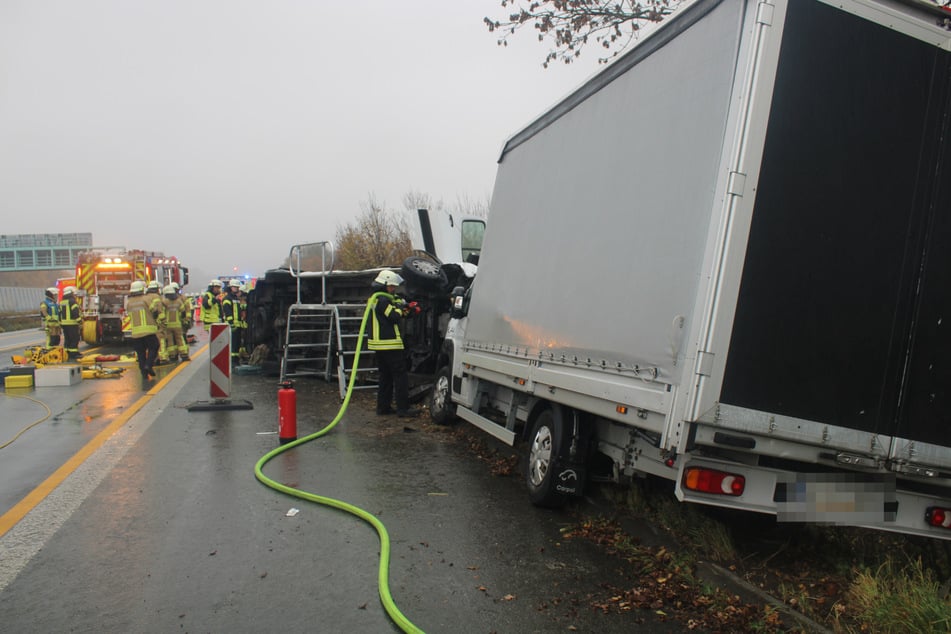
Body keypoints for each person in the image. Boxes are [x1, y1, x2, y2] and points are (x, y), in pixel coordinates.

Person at [368, 269, 419, 417]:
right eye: (391, 286)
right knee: (400, 376)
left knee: (386, 377)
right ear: (384, 284)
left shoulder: (375, 298)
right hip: (389, 344)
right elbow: (394, 316)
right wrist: (402, 308)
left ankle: (383, 408)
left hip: (380, 345)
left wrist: (406, 309)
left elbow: (396, 313)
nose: (393, 289)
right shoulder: (383, 299)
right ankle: (403, 409)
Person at [126, 280, 160, 380]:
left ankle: (144, 373)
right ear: (142, 289)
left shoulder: (129, 303)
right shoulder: (146, 299)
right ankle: (148, 365)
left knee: (140, 353)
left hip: (136, 333)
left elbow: (129, 314)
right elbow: (155, 310)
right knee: (154, 347)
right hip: (148, 330)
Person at [161, 284, 189, 362]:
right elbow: (183, 311)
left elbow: (161, 313)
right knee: (180, 339)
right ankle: (184, 354)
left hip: (168, 325)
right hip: (177, 324)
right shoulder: (178, 301)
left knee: (170, 341)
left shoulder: (164, 302)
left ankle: (172, 356)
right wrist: (183, 320)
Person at [221, 279, 243, 365]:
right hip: (231, 325)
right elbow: (228, 311)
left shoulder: (236, 298)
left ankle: (236, 359)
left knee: (237, 343)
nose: (237, 289)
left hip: (237, 325)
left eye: (237, 287)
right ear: (231, 287)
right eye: (235, 287)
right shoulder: (227, 298)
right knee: (232, 344)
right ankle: (232, 361)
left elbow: (238, 311)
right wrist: (231, 323)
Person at [59, 286, 82, 361]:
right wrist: (79, 321)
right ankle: (73, 353)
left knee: (67, 339)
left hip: (64, 324)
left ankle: (67, 353)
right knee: (74, 338)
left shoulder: (62, 302)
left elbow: (59, 313)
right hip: (72, 323)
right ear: (71, 293)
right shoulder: (72, 301)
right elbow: (75, 312)